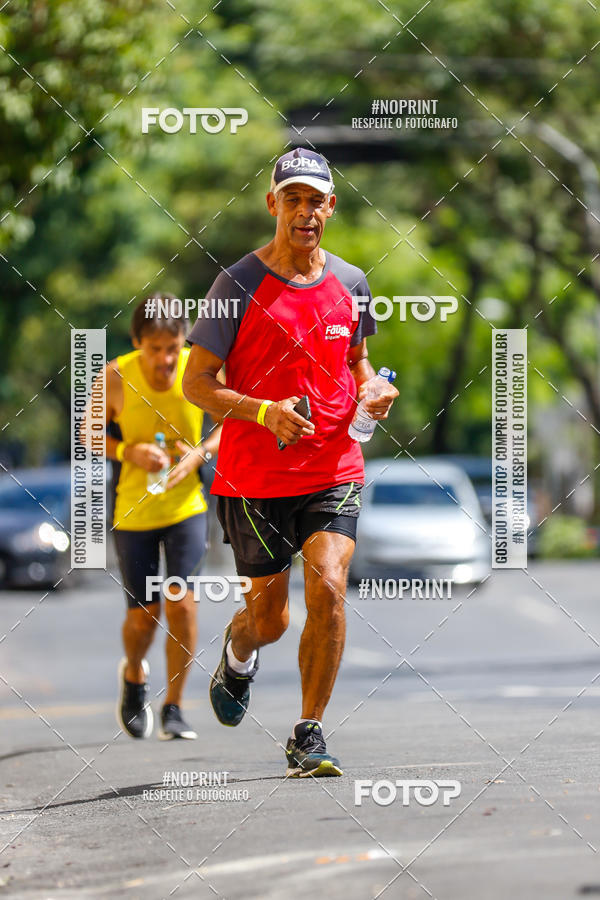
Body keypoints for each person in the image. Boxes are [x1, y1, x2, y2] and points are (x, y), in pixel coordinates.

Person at [182, 148, 398, 776]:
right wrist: (261, 410)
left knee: (330, 584)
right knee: (270, 619)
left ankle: (309, 733)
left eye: (317, 200)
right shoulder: (237, 284)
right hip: (253, 478)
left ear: (332, 207)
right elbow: (199, 383)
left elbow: (356, 360)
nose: (305, 211)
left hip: (333, 465)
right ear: (273, 204)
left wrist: (372, 388)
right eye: (293, 198)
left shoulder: (353, 283)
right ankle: (239, 650)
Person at [100, 297, 221, 740]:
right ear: (137, 343)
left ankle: (174, 706)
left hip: (186, 507)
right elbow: (89, 434)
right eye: (155, 349)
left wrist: (200, 453)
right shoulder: (115, 376)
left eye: (173, 347)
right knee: (143, 617)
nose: (166, 359)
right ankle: (133, 675)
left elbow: (232, 421)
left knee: (182, 603)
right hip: (133, 510)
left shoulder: (200, 368)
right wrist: (127, 450)